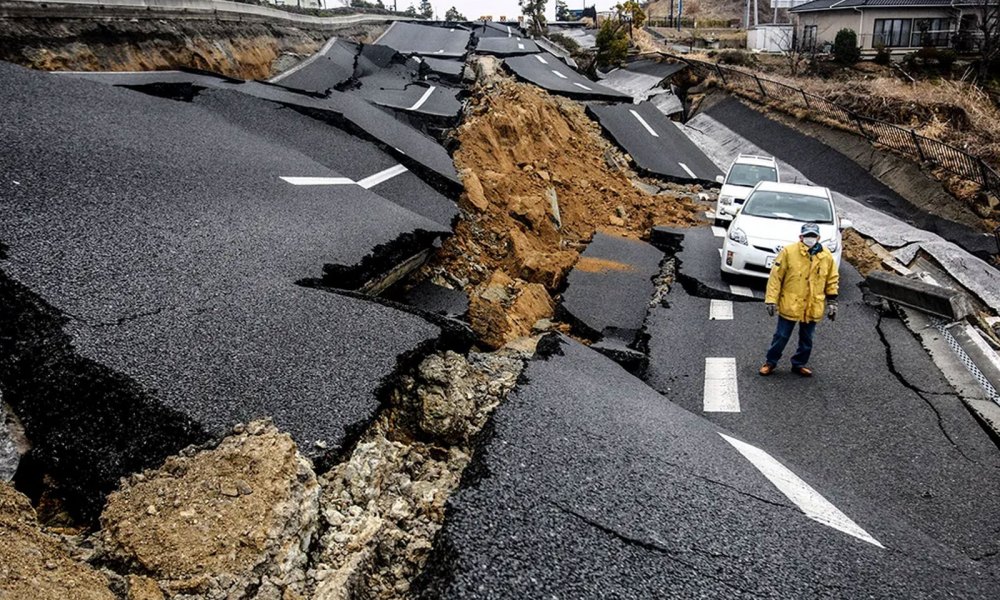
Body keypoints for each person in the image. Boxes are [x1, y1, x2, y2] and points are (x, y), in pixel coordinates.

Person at [759, 222, 839, 377]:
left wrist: (832, 301)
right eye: (807, 236)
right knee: (781, 336)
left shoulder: (826, 256)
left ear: (818, 238)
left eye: (813, 236)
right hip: (791, 303)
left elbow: (832, 279)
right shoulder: (788, 252)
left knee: (807, 338)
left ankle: (799, 363)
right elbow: (776, 277)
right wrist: (771, 300)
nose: (810, 239)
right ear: (800, 237)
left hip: (812, 304)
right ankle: (770, 362)